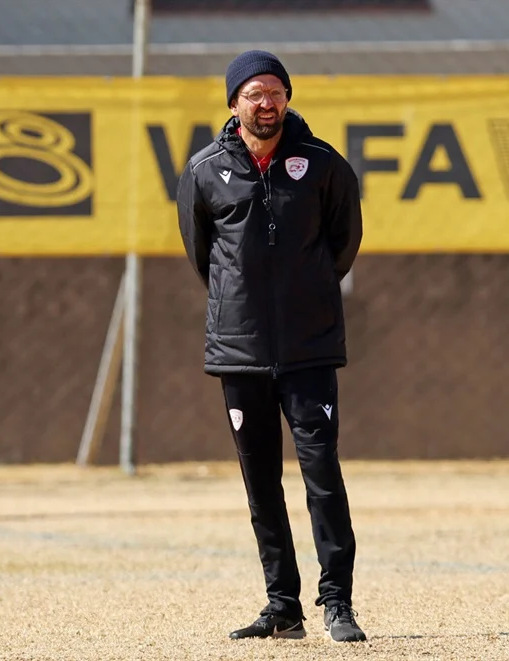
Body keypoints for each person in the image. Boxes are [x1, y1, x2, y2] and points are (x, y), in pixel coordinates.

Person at [175, 50, 367, 643]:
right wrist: (244, 303)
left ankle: (337, 604)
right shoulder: (206, 169)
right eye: (254, 92)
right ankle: (282, 606)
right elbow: (203, 252)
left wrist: (303, 293)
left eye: (275, 92)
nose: (266, 102)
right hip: (241, 351)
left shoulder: (323, 163)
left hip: (309, 348)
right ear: (234, 103)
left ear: (287, 98)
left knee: (322, 476)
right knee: (260, 482)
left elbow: (344, 241)